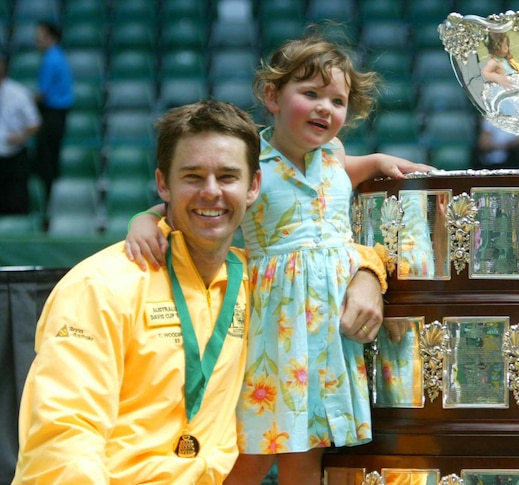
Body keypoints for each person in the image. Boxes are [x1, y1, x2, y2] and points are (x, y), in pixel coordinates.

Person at [124, 33, 433, 485]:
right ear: (272, 96)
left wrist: (382, 160)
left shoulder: (334, 154)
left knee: (312, 443)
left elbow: (351, 168)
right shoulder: (253, 163)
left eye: (338, 100)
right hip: (277, 322)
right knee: (262, 445)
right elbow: (178, 205)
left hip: (332, 327)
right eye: (310, 94)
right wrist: (142, 221)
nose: (325, 108)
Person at [13, 100, 263, 483]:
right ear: (163, 183)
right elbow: (65, 435)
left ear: (253, 187)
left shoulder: (259, 282)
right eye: (193, 176)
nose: (211, 192)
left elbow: (331, 266)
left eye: (228, 176)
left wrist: (367, 271)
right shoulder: (99, 286)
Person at [32, 20, 74, 215]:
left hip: (52, 114)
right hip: (57, 114)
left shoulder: (51, 59)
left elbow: (43, 93)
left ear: (51, 37)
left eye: (41, 35)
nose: (37, 40)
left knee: (47, 162)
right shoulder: (58, 56)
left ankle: (47, 206)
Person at [0, 52, 41, 215]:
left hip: (15, 157)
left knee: (16, 202)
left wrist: (21, 136)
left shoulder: (19, 93)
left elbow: (35, 123)